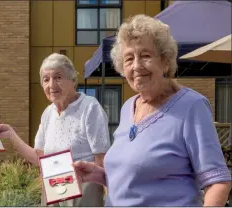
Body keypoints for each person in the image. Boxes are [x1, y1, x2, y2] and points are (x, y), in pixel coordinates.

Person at [73, 14, 232, 206]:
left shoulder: (191, 106)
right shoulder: (127, 108)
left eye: (146, 55)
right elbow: (141, 179)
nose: (137, 66)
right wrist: (100, 175)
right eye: (129, 59)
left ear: (165, 61)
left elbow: (218, 183)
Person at [0, 53, 111, 206]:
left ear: (73, 80)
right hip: (53, 190)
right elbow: (39, 157)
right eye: (46, 79)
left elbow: (101, 159)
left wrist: (108, 196)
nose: (51, 85)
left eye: (58, 77)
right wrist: (11, 135)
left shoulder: (89, 107)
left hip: (83, 191)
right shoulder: (48, 113)